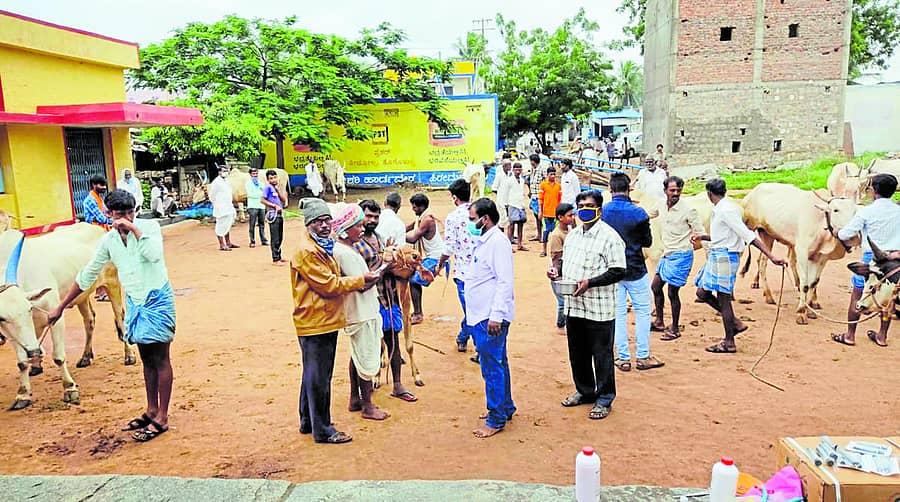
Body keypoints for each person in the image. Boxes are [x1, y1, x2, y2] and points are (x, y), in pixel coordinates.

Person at [48, 189, 175, 442]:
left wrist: (134, 229)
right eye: (119, 214)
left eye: (129, 213)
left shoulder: (149, 228)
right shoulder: (108, 242)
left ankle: (162, 417)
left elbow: (153, 255)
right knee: (146, 359)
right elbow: (88, 274)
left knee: (161, 358)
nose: (125, 218)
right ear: (108, 214)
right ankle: (151, 410)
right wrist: (61, 306)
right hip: (135, 302)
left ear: (135, 211)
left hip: (157, 300)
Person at [291, 198, 380, 444]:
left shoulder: (319, 246)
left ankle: (308, 422)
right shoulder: (308, 251)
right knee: (320, 377)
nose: (324, 226)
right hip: (316, 320)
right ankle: (323, 429)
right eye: (318, 222)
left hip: (322, 318)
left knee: (312, 374)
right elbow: (329, 285)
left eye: (327, 220)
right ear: (308, 224)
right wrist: (361, 280)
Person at [548, 190, 626, 420]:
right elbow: (565, 263)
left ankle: (604, 398)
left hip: (599, 308)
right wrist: (556, 271)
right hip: (574, 305)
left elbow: (618, 271)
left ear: (599, 210)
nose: (584, 210)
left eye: (589, 206)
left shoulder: (610, 237)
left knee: (602, 355)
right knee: (577, 353)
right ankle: (585, 391)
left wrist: (590, 283)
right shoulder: (573, 235)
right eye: (580, 206)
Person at [691, 179, 787, 353]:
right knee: (702, 292)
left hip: (725, 257)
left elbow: (748, 235)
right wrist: (703, 237)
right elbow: (724, 235)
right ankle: (734, 323)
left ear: (709, 194)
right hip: (718, 254)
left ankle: (729, 341)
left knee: (724, 299)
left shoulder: (726, 210)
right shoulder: (725, 207)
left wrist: (771, 256)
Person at [354, 199, 418, 403]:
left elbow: (393, 268)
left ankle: (397, 385)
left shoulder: (381, 239)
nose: (372, 220)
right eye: (368, 216)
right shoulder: (354, 244)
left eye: (376, 216)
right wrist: (385, 264)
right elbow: (360, 276)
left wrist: (400, 264)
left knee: (393, 341)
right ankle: (360, 395)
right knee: (366, 347)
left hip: (388, 298)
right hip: (366, 302)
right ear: (360, 216)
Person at [331, 203, 390, 421]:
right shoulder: (344, 252)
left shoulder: (347, 249)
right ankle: (368, 406)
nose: (362, 229)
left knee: (358, 355)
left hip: (361, 309)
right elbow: (363, 284)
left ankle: (355, 398)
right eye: (358, 226)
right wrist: (385, 266)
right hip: (360, 311)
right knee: (366, 356)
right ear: (346, 229)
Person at [603, 172, 664, 371]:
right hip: (636, 268)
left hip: (612, 270)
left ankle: (623, 358)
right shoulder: (639, 213)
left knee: (618, 313)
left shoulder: (603, 212)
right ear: (629, 189)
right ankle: (643, 356)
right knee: (643, 312)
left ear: (611, 189)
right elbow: (647, 242)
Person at [466, 198, 516, 438]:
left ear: (485, 219)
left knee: (491, 367)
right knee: (498, 362)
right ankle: (505, 407)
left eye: (472, 219)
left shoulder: (497, 243)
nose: (470, 223)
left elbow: (505, 281)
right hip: (480, 315)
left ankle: (496, 418)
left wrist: (496, 316)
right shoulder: (484, 241)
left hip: (490, 317)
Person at [832, 173, 900, 347]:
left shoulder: (866, 212)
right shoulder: (898, 211)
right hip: (894, 262)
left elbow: (845, 234)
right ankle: (882, 336)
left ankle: (850, 335)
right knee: (888, 298)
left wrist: (837, 232)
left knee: (858, 294)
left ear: (873, 190)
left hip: (872, 261)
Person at [651, 176, 704, 341]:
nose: (675, 193)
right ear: (665, 191)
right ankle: (659, 321)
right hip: (667, 254)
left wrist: (698, 238)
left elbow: (700, 231)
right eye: (672, 190)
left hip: (681, 254)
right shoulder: (660, 205)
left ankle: (674, 328)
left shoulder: (689, 210)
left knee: (672, 292)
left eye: (678, 190)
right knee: (656, 287)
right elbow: (648, 214)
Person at [436, 179, 477, 353]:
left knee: (472, 312)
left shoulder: (453, 218)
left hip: (464, 272)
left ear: (454, 198)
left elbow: (449, 247)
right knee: (476, 311)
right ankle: (473, 343)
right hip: (482, 271)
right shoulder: (481, 212)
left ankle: (466, 338)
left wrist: (440, 264)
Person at [406, 193, 445, 325]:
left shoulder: (427, 220)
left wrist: (397, 235)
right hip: (432, 256)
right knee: (412, 276)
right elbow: (407, 228)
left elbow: (412, 238)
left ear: (421, 207)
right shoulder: (421, 217)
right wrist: (397, 229)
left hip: (437, 258)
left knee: (414, 280)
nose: (413, 209)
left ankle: (418, 314)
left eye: (414, 207)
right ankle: (417, 312)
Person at [83, 175, 113, 301]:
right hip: (94, 234)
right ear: (94, 185)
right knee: (101, 262)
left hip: (102, 231)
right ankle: (100, 292)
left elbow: (105, 213)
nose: (104, 187)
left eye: (104, 185)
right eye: (101, 185)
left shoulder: (99, 198)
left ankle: (101, 291)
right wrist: (115, 220)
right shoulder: (91, 200)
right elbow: (101, 218)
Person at [547, 203, 575, 336]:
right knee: (563, 301)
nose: (573, 217)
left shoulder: (569, 230)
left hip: (567, 269)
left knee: (567, 300)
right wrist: (556, 273)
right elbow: (556, 257)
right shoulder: (556, 235)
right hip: (560, 270)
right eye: (569, 215)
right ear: (560, 217)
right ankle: (560, 325)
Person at [500, 162, 528, 251]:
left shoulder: (522, 180)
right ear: (513, 170)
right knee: (511, 225)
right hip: (512, 204)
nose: (518, 172)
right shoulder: (509, 181)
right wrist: (505, 205)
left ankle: (520, 244)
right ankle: (509, 246)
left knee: (521, 224)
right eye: (516, 170)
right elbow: (505, 194)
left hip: (520, 204)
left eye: (519, 170)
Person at [261, 170, 287, 265]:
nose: (273, 180)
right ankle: (275, 259)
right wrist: (274, 206)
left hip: (279, 214)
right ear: (268, 180)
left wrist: (278, 190)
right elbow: (262, 200)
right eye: (271, 178)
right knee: (275, 237)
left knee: (280, 237)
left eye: (275, 177)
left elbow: (283, 199)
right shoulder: (267, 187)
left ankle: (279, 256)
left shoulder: (276, 188)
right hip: (273, 215)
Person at [209, 165, 238, 251]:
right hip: (220, 207)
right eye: (224, 171)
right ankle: (222, 244)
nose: (226, 172)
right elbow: (212, 195)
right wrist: (216, 204)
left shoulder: (226, 181)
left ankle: (228, 242)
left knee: (227, 224)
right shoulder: (216, 182)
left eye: (227, 171)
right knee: (221, 225)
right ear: (219, 172)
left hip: (228, 206)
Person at [539, 167, 562, 257]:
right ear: (547, 175)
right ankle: (543, 250)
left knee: (555, 233)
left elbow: (560, 200)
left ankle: (554, 251)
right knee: (545, 232)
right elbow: (540, 199)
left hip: (555, 214)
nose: (553, 176)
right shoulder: (543, 185)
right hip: (546, 213)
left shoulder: (558, 186)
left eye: (554, 174)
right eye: (551, 174)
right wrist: (540, 211)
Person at [245, 167, 268, 248]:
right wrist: (260, 194)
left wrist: (260, 194)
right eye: (253, 173)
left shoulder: (261, 183)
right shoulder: (248, 184)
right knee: (252, 224)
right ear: (250, 174)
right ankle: (252, 241)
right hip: (252, 206)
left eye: (256, 173)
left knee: (262, 224)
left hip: (261, 206)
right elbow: (250, 194)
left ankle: (263, 240)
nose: (255, 175)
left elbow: (265, 194)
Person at [527, 154, 547, 242]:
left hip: (540, 197)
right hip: (534, 196)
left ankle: (543, 235)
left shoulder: (542, 170)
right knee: (536, 216)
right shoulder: (533, 170)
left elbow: (546, 182)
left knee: (541, 217)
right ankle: (539, 235)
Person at [492, 160, 512, 231]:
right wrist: (501, 196)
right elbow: (494, 188)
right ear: (504, 166)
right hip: (501, 201)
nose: (510, 167)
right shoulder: (499, 175)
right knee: (502, 219)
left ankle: (510, 235)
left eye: (510, 165)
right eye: (508, 165)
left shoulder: (511, 175)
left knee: (510, 219)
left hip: (510, 200)